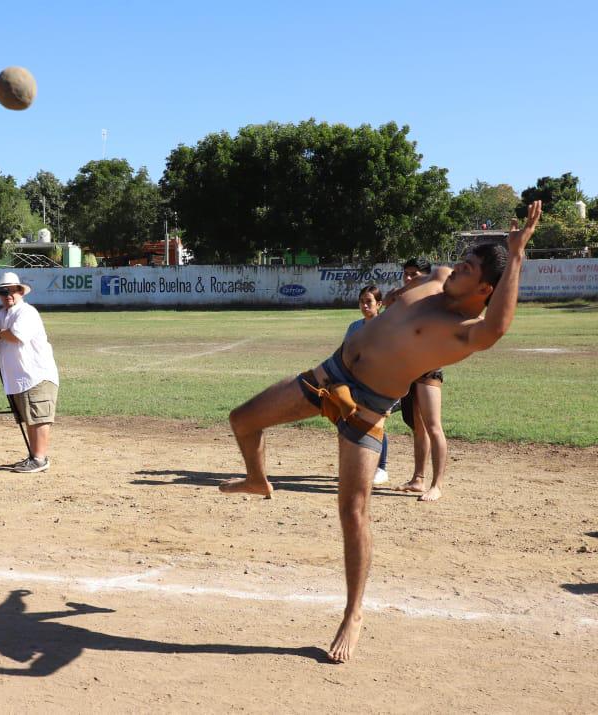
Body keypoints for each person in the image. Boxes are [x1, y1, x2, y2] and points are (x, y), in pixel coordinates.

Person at [219, 200, 542, 663]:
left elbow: (500, 324)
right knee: (242, 419)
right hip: (328, 376)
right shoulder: (436, 278)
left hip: (366, 410)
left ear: (485, 287)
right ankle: (257, 478)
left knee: (353, 511)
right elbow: (416, 286)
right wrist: (394, 297)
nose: (457, 269)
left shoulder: (465, 330)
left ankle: (353, 614)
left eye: (469, 268)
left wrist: (516, 255)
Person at [0, 271, 59, 473]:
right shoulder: (2, 314)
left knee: (38, 417)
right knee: (29, 417)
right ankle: (34, 456)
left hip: (36, 374)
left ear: (20, 292)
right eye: (4, 292)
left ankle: (40, 458)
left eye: (13, 291)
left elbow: (16, 336)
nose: (9, 295)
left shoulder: (27, 312)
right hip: (19, 377)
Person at [389, 259, 449, 501]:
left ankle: (437, 485)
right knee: (418, 428)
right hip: (408, 368)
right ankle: (418, 479)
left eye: (414, 274)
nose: (408, 279)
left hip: (428, 367)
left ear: (426, 277)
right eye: (405, 274)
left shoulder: (434, 299)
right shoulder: (403, 300)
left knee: (433, 426)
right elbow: (386, 303)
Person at [344, 285, 389, 486]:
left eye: (369, 301)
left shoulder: (387, 326)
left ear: (379, 304)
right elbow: (346, 355)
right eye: (362, 301)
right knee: (357, 423)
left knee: (376, 422)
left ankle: (381, 468)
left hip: (381, 383)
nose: (364, 305)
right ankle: (362, 464)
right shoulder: (354, 327)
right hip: (357, 383)